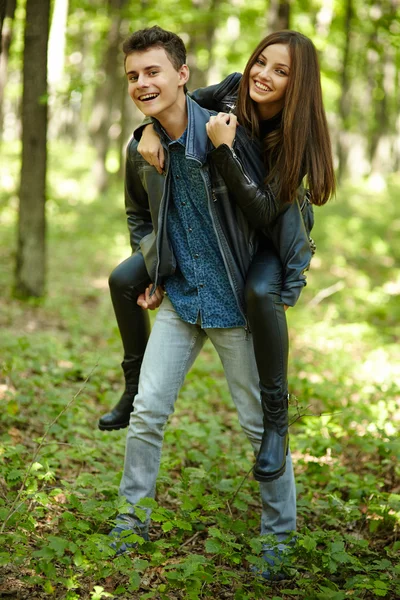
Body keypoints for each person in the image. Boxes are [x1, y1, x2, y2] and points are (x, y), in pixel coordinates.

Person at [106, 25, 303, 578]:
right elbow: (139, 216)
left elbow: (267, 213)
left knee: (258, 425)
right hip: (182, 298)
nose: (143, 83)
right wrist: (154, 265)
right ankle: (130, 520)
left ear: (183, 75)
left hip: (236, 304)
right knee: (147, 413)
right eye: (133, 76)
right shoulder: (140, 147)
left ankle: (280, 540)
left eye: (154, 72)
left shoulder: (230, 133)